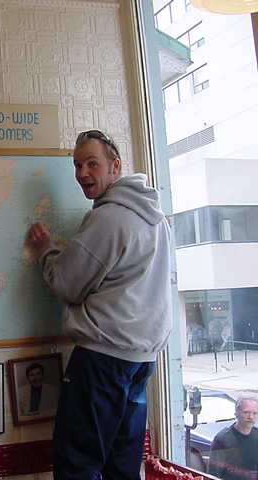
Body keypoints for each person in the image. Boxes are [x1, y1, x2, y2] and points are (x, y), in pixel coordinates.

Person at [24, 129, 172, 480]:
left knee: (78, 465)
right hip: (141, 360)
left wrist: (45, 252)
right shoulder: (156, 218)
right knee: (122, 466)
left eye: (92, 164)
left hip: (102, 361)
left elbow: (66, 284)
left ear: (115, 166)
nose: (82, 173)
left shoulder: (108, 218)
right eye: (77, 165)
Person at [208, 397, 258, 480]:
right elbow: (213, 473)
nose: (251, 417)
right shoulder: (223, 439)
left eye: (255, 413)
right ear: (236, 413)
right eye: (246, 412)